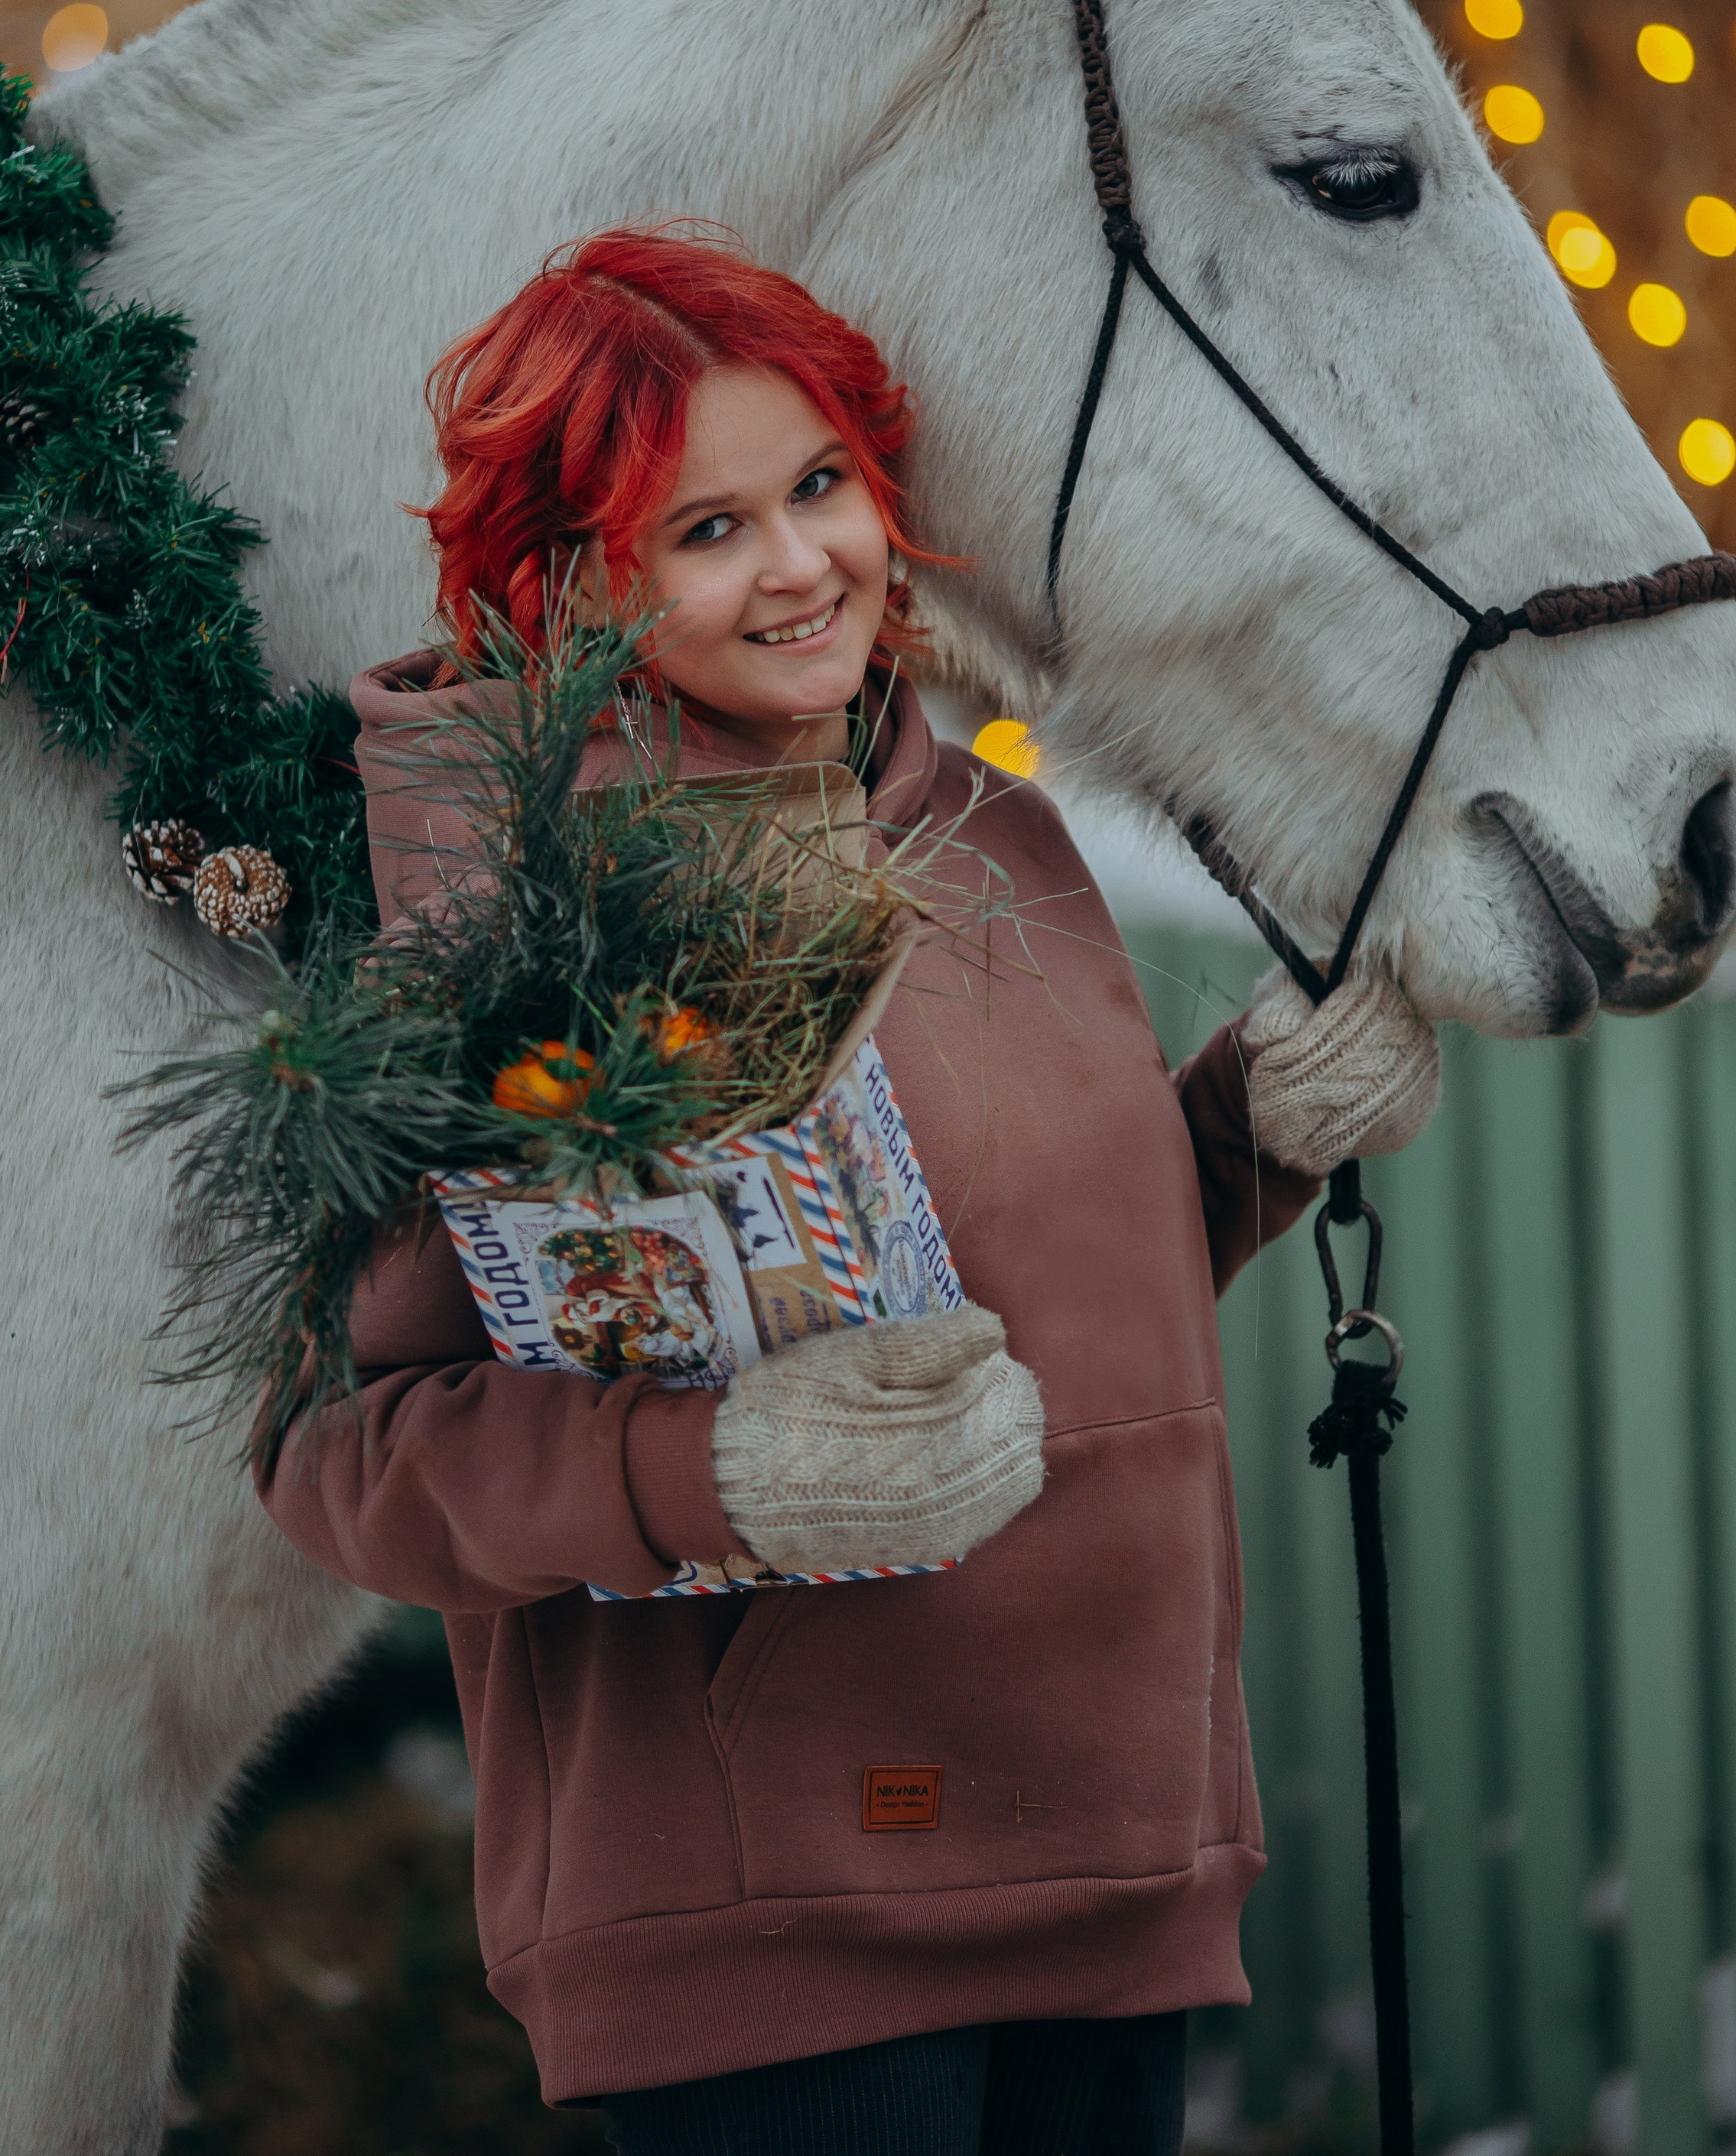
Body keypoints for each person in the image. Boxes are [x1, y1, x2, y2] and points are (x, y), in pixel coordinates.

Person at [258, 227, 1439, 2155]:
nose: (802, 563)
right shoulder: (504, 935)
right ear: (570, 581)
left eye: (818, 486)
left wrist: (1254, 1131)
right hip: (776, 1920)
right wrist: (710, 1473)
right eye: (703, 530)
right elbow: (334, 1449)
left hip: (1111, 1849)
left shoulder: (991, 825)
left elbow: (1017, 1296)